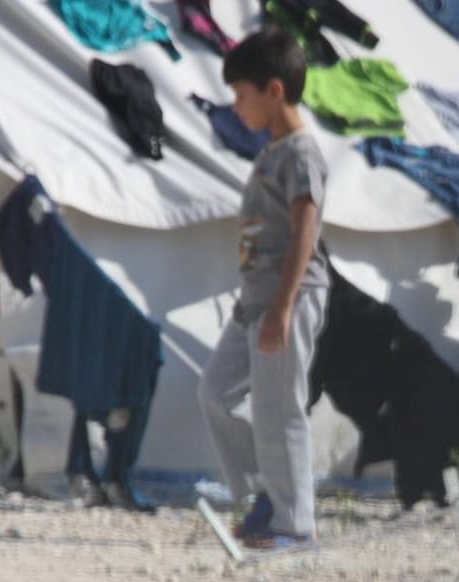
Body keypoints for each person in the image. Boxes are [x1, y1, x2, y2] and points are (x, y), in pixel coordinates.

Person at [198, 25, 329, 550]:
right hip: (254, 303)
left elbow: (306, 230)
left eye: (241, 95)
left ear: (274, 91)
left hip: (286, 299)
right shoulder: (271, 151)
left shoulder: (300, 153)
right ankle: (266, 497)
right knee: (216, 392)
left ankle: (296, 528)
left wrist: (281, 306)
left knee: (278, 409)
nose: (236, 107)